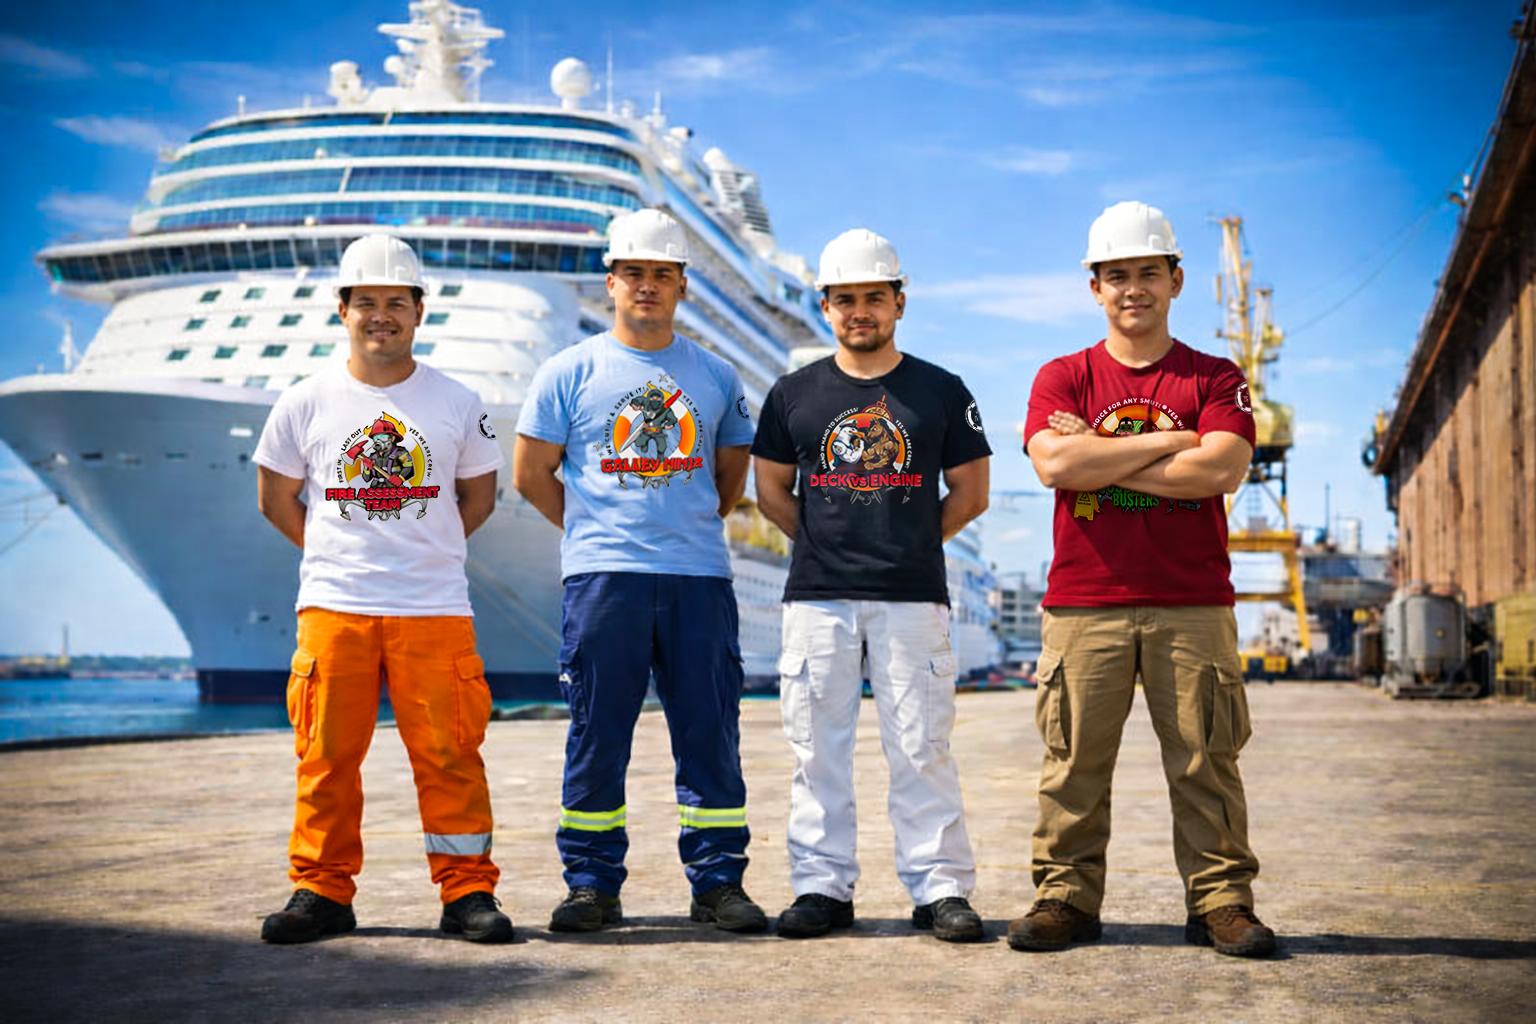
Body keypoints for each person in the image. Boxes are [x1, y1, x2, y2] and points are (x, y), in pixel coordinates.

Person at [1012, 201, 1276, 958]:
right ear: (1094, 287)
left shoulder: (1216, 374)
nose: (1134, 289)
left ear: (1176, 281)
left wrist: (1104, 446)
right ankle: (1064, 897)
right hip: (1084, 603)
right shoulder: (1062, 374)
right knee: (1073, 764)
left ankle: (1221, 902)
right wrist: (1175, 443)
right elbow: (1055, 465)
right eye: (1117, 275)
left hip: (1192, 601)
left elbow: (1221, 469)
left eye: (1148, 274)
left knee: (1206, 760)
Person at [513, 208, 766, 934]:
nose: (646, 286)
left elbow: (728, 482)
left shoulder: (717, 375)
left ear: (682, 284)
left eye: (661, 274)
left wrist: (665, 527)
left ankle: (718, 881)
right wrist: (598, 532)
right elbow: (531, 475)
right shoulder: (568, 371)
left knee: (709, 731)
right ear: (612, 281)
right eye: (634, 274)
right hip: (602, 581)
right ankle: (592, 883)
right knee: (597, 731)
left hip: (699, 580)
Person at [253, 234, 511, 944]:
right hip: (335, 609)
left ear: (420, 311)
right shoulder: (305, 400)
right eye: (366, 301)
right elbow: (275, 498)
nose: (381, 315)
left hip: (433, 609)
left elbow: (479, 497)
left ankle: (467, 894)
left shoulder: (458, 401)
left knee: (451, 754)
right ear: (342, 310)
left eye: (396, 302)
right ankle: (321, 892)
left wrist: (421, 551)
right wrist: (339, 552)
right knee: (326, 756)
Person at [752, 229, 992, 942]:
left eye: (874, 298)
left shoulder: (941, 390)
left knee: (922, 747)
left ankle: (940, 887)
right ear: (825, 306)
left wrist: (908, 543)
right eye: (846, 299)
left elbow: (972, 492)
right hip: (818, 598)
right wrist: (828, 543)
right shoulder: (793, 392)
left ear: (899, 303)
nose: (861, 311)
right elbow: (769, 488)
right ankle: (821, 887)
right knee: (815, 747)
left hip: (913, 597)